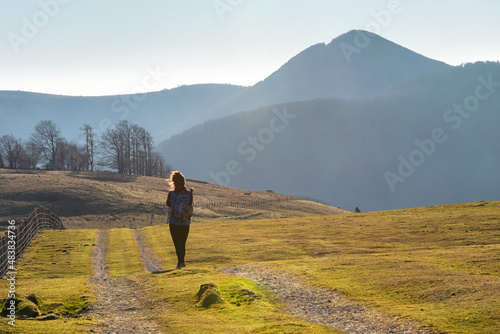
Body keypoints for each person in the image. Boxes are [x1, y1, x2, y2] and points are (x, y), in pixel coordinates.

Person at [166, 171, 193, 269]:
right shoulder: (189, 194)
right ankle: (181, 262)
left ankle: (180, 262)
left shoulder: (171, 194)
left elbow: (168, 204)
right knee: (182, 242)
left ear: (173, 182)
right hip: (185, 222)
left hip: (174, 221)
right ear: (184, 182)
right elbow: (190, 204)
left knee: (177, 243)